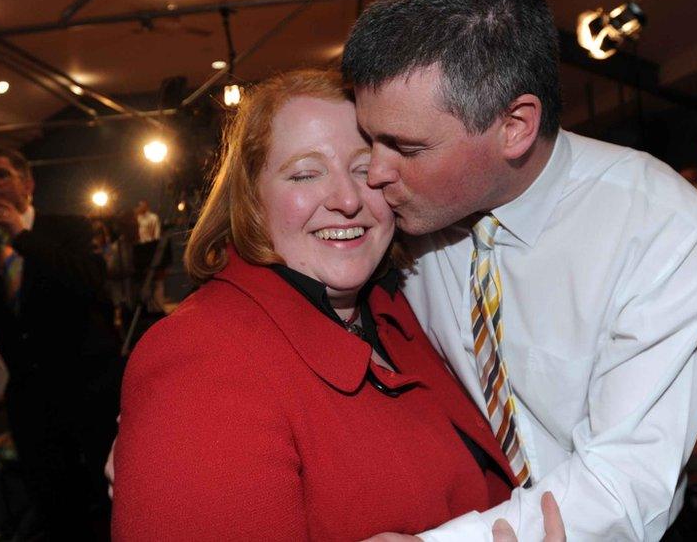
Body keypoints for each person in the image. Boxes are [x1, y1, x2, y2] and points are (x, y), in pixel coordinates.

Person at [111, 69, 563, 541]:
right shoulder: (200, 358)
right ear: (249, 199)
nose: (347, 199)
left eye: (364, 170)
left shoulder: (397, 306)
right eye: (306, 173)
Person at [342, 0, 697, 539]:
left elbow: (626, 482)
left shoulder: (660, 227)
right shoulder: (408, 218)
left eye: (404, 147)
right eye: (369, 138)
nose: (375, 172)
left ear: (516, 126)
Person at [0, 147, 120, 539]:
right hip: (29, 398)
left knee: (105, 492)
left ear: (28, 184)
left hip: (86, 389)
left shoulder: (69, 229)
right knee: (53, 500)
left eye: (0, 174)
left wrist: (21, 236)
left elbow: (86, 282)